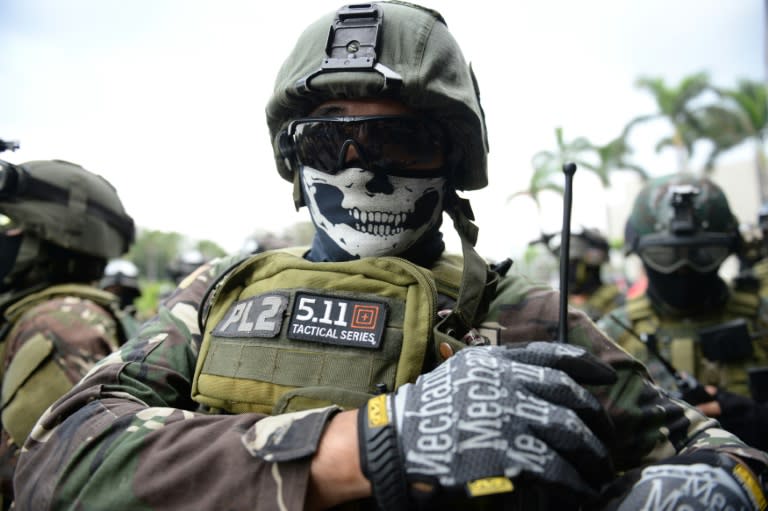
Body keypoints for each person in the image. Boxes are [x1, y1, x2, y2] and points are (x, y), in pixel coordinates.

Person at [15, 3, 768, 510]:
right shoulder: (214, 295)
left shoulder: (526, 314)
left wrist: (700, 485)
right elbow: (56, 458)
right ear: (294, 161)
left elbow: (728, 457)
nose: (364, 170)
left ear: (452, 162)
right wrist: (365, 443)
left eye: (399, 141)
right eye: (331, 143)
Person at [597, 173, 768, 451]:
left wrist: (759, 419)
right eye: (666, 256)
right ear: (639, 250)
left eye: (701, 255)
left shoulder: (762, 319)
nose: (683, 269)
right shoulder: (607, 336)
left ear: (730, 247)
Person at [0, 159, 136, 507]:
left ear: (49, 237)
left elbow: (37, 477)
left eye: (9, 224)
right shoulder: (45, 315)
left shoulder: (60, 327)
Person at [532, 228, 625, 321]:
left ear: (589, 268)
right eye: (565, 264)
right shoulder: (560, 305)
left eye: (573, 264)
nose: (568, 270)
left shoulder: (614, 300)